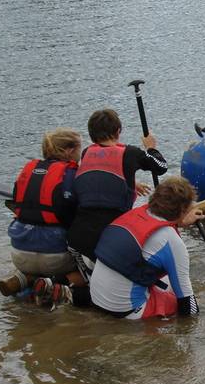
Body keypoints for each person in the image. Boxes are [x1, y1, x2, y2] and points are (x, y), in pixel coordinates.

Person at [82, 176, 204, 319]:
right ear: (183, 209)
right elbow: (187, 303)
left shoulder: (135, 214)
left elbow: (158, 231)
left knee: (166, 280)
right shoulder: (172, 242)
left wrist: (180, 221)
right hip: (125, 311)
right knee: (184, 297)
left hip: (97, 299)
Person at [66, 108, 168, 271]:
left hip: (78, 236)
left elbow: (99, 178)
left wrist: (131, 183)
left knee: (93, 278)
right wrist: (151, 149)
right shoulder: (130, 153)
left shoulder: (87, 152)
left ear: (92, 134)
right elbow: (161, 166)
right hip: (111, 235)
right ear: (118, 131)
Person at [0, 128, 83, 296]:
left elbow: (18, 205)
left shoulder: (28, 170)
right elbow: (76, 217)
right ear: (69, 150)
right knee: (91, 271)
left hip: (19, 254)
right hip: (56, 259)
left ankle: (24, 278)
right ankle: (54, 284)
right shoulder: (73, 174)